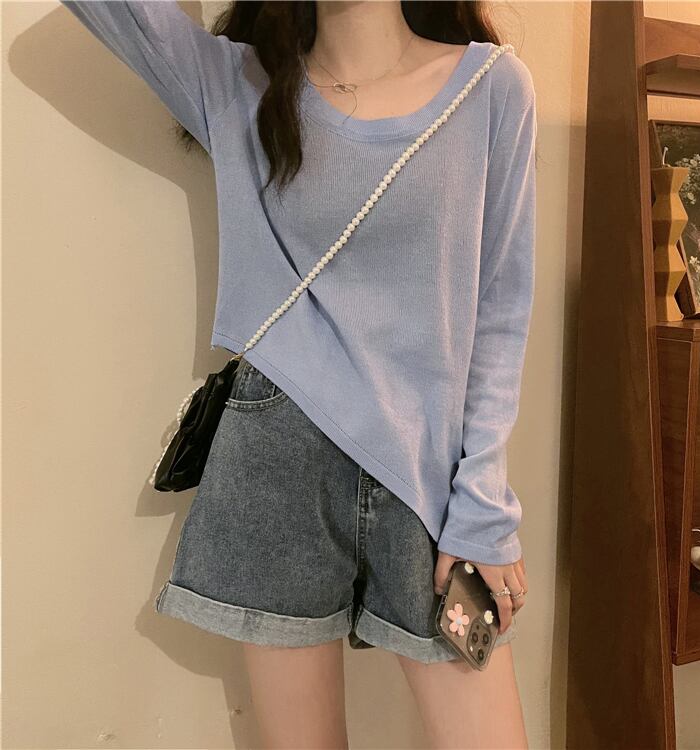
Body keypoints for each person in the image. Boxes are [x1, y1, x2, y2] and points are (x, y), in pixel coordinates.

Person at [59, 1, 536, 747]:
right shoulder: (238, 84)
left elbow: (500, 315)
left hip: (429, 487)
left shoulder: (492, 87)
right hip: (275, 467)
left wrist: (483, 508)